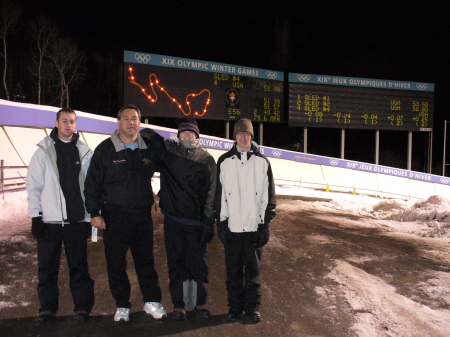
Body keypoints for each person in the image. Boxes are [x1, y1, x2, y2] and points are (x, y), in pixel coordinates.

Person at [84, 104, 166, 322]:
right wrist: (94, 212)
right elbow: (92, 183)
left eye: (135, 119)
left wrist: (160, 145)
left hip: (141, 216)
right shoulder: (105, 149)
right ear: (118, 122)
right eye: (127, 118)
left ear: (140, 123)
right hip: (114, 216)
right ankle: (122, 304)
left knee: (145, 261)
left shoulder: (148, 149)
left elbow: (167, 164)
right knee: (116, 263)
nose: (131, 122)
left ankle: (152, 301)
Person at [141, 118, 217, 321]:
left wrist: (209, 219)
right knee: (176, 263)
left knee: (199, 264)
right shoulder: (169, 152)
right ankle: (179, 305)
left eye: (191, 132)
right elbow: (146, 135)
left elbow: (212, 191)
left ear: (197, 136)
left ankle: (199, 303)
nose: (187, 135)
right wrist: (152, 135)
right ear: (178, 135)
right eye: (183, 132)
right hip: (173, 220)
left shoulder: (206, 159)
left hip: (197, 222)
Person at [26, 107, 95, 324]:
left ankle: (82, 309)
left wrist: (90, 216)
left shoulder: (85, 152)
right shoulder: (42, 152)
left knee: (79, 268)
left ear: (76, 125)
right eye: (64, 121)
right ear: (56, 123)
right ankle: (47, 309)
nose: (68, 125)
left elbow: (92, 187)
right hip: (50, 222)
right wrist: (36, 217)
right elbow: (33, 186)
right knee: (47, 269)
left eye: (72, 121)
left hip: (76, 221)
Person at [215, 118, 276, 324]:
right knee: (232, 272)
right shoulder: (224, 161)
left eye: (247, 134)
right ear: (234, 136)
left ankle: (253, 308)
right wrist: (221, 223)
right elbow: (220, 196)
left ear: (251, 137)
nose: (243, 137)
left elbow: (269, 197)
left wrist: (264, 224)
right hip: (232, 228)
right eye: (239, 134)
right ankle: (234, 308)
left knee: (253, 273)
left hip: (253, 228)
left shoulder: (262, 162)